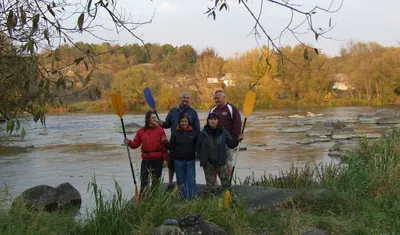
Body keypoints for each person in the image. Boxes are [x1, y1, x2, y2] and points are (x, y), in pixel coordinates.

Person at [157, 92, 200, 190]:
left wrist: (197, 145)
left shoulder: (193, 112)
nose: (186, 99)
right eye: (184, 98)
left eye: (188, 98)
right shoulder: (173, 111)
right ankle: (171, 182)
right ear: (180, 98)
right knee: (171, 163)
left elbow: (197, 129)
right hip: (175, 140)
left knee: (187, 165)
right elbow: (167, 124)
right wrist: (162, 124)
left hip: (188, 142)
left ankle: (188, 186)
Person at [197, 112, 243, 194]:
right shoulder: (203, 133)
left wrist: (238, 139)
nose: (213, 121)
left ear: (218, 121)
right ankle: (210, 199)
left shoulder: (223, 131)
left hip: (220, 161)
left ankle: (229, 198)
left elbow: (231, 144)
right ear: (208, 120)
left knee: (226, 182)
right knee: (210, 185)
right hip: (208, 163)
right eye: (211, 119)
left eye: (215, 119)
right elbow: (198, 147)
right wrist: (202, 157)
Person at [124, 111, 168, 193]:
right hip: (146, 160)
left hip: (158, 159)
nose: (155, 119)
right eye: (152, 118)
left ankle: (154, 199)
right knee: (144, 181)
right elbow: (136, 144)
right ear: (148, 119)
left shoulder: (160, 130)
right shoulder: (141, 131)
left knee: (156, 181)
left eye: (155, 117)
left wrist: (165, 159)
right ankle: (143, 199)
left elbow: (164, 146)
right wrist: (129, 142)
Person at [163, 113, 198, 200]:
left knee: (191, 181)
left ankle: (193, 199)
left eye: (186, 121)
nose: (184, 123)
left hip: (190, 161)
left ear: (188, 122)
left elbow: (198, 146)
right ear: (179, 122)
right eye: (182, 121)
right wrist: (165, 142)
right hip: (178, 161)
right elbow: (171, 146)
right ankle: (183, 199)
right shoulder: (175, 133)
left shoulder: (194, 133)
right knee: (180, 182)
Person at [210, 90, 242, 176]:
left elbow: (237, 124)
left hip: (228, 141)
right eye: (215, 98)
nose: (216, 100)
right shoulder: (213, 109)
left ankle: (229, 184)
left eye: (218, 98)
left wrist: (234, 139)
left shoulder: (231, 108)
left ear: (224, 97)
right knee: (215, 163)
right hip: (215, 142)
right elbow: (209, 124)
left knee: (228, 163)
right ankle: (215, 186)